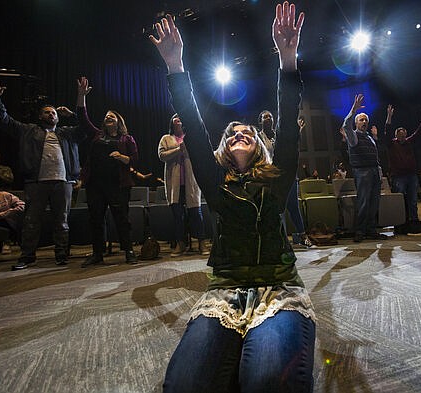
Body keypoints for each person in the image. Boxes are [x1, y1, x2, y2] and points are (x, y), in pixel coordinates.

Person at [150, 3, 315, 392]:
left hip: (277, 288)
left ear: (259, 145)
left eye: (249, 132)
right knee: (184, 386)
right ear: (223, 146)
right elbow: (190, 119)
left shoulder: (277, 178)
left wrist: (287, 59)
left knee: (269, 382)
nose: (241, 133)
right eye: (233, 132)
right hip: (224, 290)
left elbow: (288, 121)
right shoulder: (214, 179)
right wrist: (176, 65)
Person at [0, 77, 86, 270]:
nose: (51, 114)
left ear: (58, 117)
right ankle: (27, 257)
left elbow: (85, 129)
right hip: (36, 182)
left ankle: (61, 255)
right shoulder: (28, 131)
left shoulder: (67, 133)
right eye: (47, 112)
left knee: (62, 222)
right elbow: (4, 121)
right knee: (31, 221)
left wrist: (76, 107)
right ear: (40, 117)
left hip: (63, 182)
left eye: (53, 112)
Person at [73, 77, 139, 266]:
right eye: (106, 115)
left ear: (119, 122)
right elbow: (82, 117)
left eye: (112, 116)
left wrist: (121, 157)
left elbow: (134, 160)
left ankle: (128, 251)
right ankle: (97, 254)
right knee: (95, 219)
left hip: (118, 184)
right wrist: (81, 95)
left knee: (122, 219)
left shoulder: (127, 139)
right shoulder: (97, 135)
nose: (108, 117)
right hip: (95, 184)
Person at [258, 110, 315, 248]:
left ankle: (302, 235)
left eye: (270, 117)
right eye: (265, 117)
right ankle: (282, 238)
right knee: (278, 208)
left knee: (293, 206)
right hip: (271, 177)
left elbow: (290, 149)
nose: (268, 119)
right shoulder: (258, 137)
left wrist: (297, 134)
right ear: (260, 121)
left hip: (287, 174)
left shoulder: (280, 135)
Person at [158, 113, 210, 257]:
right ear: (172, 122)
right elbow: (161, 156)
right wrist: (178, 150)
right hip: (175, 183)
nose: (178, 117)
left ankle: (201, 243)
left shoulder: (192, 137)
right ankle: (180, 244)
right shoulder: (166, 138)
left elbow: (201, 155)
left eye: (181, 116)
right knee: (178, 215)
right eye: (175, 116)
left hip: (191, 182)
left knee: (196, 213)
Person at [342, 94, 386, 243]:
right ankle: (360, 231)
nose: (364, 121)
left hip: (374, 171)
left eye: (366, 119)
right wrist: (353, 109)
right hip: (363, 172)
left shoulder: (369, 137)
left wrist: (379, 172)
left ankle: (371, 230)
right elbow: (345, 125)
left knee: (374, 202)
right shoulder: (353, 136)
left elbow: (376, 158)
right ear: (356, 123)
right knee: (364, 202)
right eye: (361, 120)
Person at [381, 104, 421, 222]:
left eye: (404, 134)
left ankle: (414, 220)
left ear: (406, 135)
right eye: (400, 134)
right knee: (400, 199)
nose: (402, 136)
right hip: (398, 176)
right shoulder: (391, 144)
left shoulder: (409, 141)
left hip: (411, 175)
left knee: (413, 199)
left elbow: (419, 131)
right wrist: (389, 116)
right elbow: (387, 130)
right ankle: (402, 221)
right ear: (396, 136)